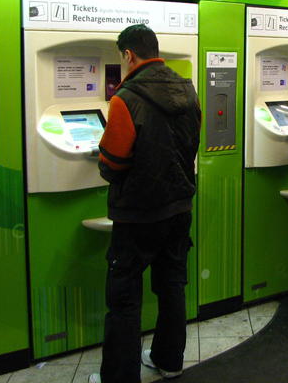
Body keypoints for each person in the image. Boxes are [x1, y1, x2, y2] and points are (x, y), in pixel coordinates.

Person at [89, 24, 201, 383]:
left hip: (137, 214)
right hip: (179, 208)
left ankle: (119, 378)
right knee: (171, 285)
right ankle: (169, 361)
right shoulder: (187, 88)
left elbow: (112, 163)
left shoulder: (125, 97)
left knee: (124, 299)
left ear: (128, 54)